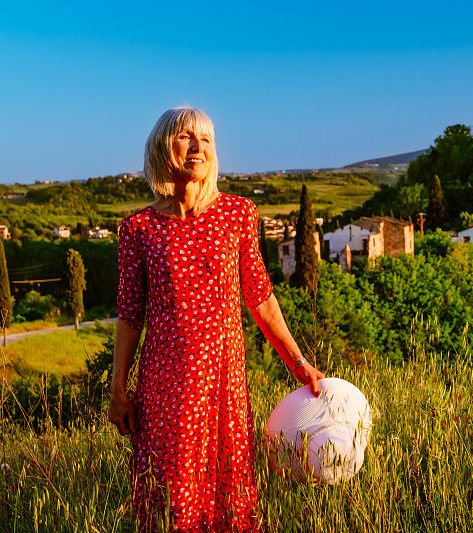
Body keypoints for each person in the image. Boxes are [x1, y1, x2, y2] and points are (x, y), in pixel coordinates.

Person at [109, 106, 324, 532]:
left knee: (230, 504)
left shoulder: (237, 215)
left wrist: (298, 363)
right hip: (165, 389)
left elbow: (261, 300)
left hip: (224, 386)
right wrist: (118, 388)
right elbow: (130, 315)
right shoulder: (139, 228)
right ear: (162, 147)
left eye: (206, 139)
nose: (198, 147)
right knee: (171, 505)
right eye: (186, 136)